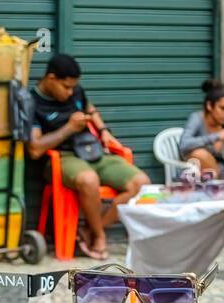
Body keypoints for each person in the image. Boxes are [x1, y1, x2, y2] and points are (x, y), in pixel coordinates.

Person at [27, 53, 149, 261]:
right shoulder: (32, 101)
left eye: (73, 87)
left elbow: (90, 109)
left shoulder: (76, 92)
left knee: (141, 183)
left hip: (92, 151)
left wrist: (103, 131)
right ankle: (99, 236)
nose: (70, 92)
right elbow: (35, 149)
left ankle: (90, 230)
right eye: (65, 87)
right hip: (61, 157)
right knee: (89, 179)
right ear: (51, 78)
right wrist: (69, 128)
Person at [180, 80, 224, 175]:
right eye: (223, 108)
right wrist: (217, 136)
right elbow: (184, 144)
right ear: (209, 106)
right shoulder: (197, 118)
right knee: (199, 154)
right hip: (198, 174)